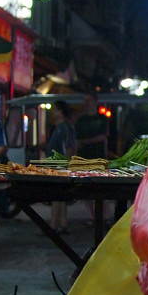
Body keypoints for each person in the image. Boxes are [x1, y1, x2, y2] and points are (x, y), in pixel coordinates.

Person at [45, 100, 76, 234]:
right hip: (57, 166)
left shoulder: (65, 128)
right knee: (60, 197)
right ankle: (62, 223)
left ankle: (53, 225)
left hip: (60, 167)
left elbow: (69, 148)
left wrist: (66, 167)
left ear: (61, 112)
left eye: (55, 109)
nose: (52, 112)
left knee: (56, 196)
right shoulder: (59, 127)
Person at [75, 94, 109, 159]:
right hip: (83, 156)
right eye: (85, 100)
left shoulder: (102, 118)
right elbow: (77, 139)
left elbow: (103, 136)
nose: (87, 102)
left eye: (89, 100)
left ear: (96, 101)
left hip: (97, 156)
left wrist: (86, 141)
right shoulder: (80, 119)